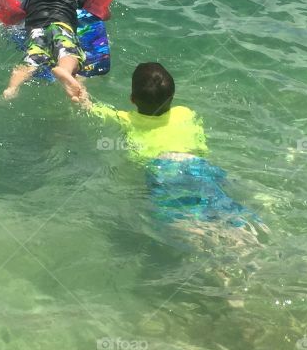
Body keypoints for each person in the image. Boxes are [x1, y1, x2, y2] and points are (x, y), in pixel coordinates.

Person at [84, 62, 256, 234]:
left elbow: (91, 109)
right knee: (224, 205)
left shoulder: (124, 119)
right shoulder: (186, 113)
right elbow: (200, 143)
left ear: (132, 99)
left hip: (163, 170)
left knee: (187, 224)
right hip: (198, 165)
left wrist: (79, 90)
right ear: (172, 96)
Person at [2, 0, 87, 104]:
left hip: (36, 30)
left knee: (32, 59)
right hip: (61, 26)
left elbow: (17, 17)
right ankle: (65, 71)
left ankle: (12, 88)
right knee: (67, 51)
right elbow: (98, 11)